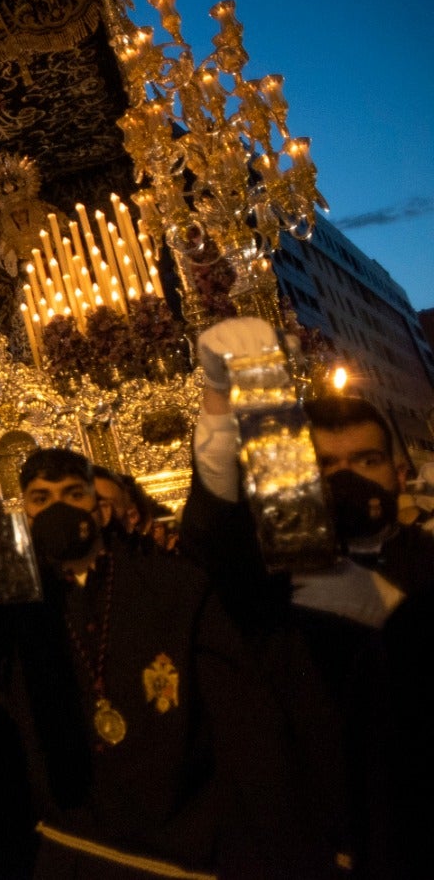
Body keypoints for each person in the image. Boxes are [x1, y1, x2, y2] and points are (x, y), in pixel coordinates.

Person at [183, 316, 434, 875]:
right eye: (327, 464)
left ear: (399, 471)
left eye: (366, 461)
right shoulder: (271, 571)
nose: (349, 477)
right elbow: (213, 530)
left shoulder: (427, 562)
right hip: (313, 835)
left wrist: (402, 621)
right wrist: (222, 401)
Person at [10, 446, 316, 878]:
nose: (57, 508)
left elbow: (238, 721)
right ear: (25, 513)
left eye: (72, 494)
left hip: (180, 846)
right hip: (77, 849)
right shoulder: (17, 612)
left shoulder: (172, 588)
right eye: (40, 499)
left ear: (98, 511)